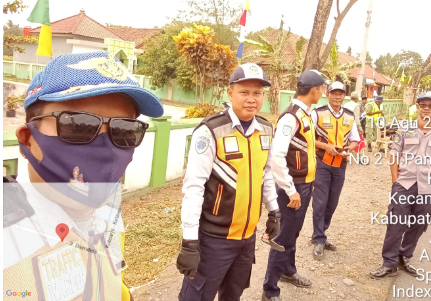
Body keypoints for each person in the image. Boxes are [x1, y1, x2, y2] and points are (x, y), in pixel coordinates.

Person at [5, 51, 164, 300]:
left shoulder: (107, 209)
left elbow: (112, 283)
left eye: (125, 129)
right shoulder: (8, 232)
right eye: (78, 124)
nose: (106, 148)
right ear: (28, 139)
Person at [177, 63, 281, 301]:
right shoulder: (211, 130)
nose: (251, 99)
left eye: (257, 93)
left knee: (233, 295)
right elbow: (194, 187)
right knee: (196, 297)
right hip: (214, 240)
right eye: (244, 92)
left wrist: (274, 211)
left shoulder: (266, 129)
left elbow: (265, 174)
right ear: (230, 92)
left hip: (246, 239)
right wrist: (190, 242)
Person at [370, 91, 431, 279]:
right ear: (417, 107)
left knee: (419, 224)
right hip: (404, 184)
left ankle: (404, 255)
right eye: (423, 104)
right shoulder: (404, 130)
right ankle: (389, 262)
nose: (426, 108)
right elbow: (394, 155)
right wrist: (395, 182)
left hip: (430, 188)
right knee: (395, 224)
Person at [262, 70, 326, 301]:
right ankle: (270, 290)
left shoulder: (306, 114)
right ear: (314, 90)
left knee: (293, 233)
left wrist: (310, 181)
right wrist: (290, 189)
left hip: (304, 184)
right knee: (283, 237)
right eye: (323, 89)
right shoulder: (291, 117)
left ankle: (288, 271)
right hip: (293, 188)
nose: (323, 92)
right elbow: (277, 157)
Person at [311, 82, 360, 260]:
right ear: (328, 94)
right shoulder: (317, 113)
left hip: (340, 163)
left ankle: (320, 233)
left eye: (340, 94)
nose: (337, 97)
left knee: (332, 202)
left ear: (344, 96)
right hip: (321, 162)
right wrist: (326, 146)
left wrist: (351, 148)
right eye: (334, 93)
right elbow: (307, 137)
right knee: (320, 201)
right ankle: (318, 239)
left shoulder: (349, 115)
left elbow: (355, 139)